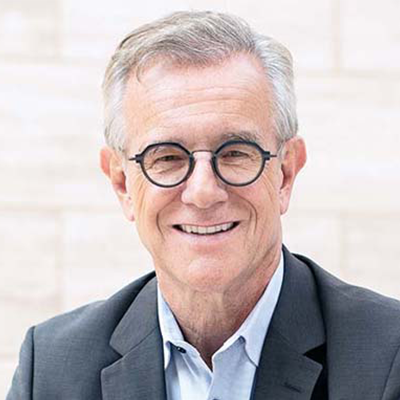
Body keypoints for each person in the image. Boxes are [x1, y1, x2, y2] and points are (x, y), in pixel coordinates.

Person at [7, 10, 400, 400]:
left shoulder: (388, 357)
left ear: (285, 173)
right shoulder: (53, 371)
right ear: (122, 183)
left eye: (235, 152)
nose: (203, 192)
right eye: (167, 157)